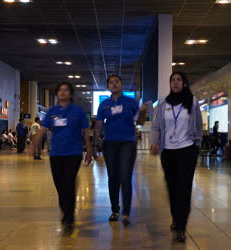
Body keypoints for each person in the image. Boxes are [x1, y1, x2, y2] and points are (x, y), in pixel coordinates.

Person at [29, 81, 92, 228]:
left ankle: (68, 215)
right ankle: (66, 210)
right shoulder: (51, 112)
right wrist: (32, 146)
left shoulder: (78, 111)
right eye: (60, 90)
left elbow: (85, 132)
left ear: (70, 94)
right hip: (56, 153)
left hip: (74, 152)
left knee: (68, 182)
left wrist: (89, 150)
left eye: (66, 90)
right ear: (57, 94)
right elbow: (42, 130)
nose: (63, 92)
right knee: (60, 185)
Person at [150, 71, 203, 243]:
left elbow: (198, 126)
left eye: (179, 80)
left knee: (184, 188)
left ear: (184, 83)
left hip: (187, 150)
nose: (176, 83)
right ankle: (175, 218)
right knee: (172, 188)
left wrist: (197, 146)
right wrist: (154, 143)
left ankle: (181, 227)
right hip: (168, 152)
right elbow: (156, 126)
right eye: (173, 80)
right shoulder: (164, 104)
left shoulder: (192, 102)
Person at [93, 74, 147, 226]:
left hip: (127, 143)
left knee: (125, 176)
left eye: (117, 81)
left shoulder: (130, 102)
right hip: (109, 144)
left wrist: (143, 111)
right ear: (108, 86)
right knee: (113, 177)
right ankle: (115, 209)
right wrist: (94, 145)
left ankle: (126, 213)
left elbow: (140, 121)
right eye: (111, 82)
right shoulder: (104, 104)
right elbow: (98, 126)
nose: (114, 84)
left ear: (122, 85)